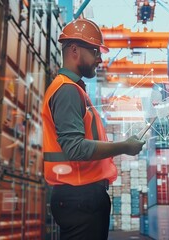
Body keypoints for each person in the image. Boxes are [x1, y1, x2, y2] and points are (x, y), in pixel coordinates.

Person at [41, 18, 146, 240]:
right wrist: (125, 147)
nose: (99, 59)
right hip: (80, 196)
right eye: (95, 52)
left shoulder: (74, 90)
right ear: (75, 50)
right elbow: (75, 148)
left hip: (80, 196)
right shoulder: (67, 91)